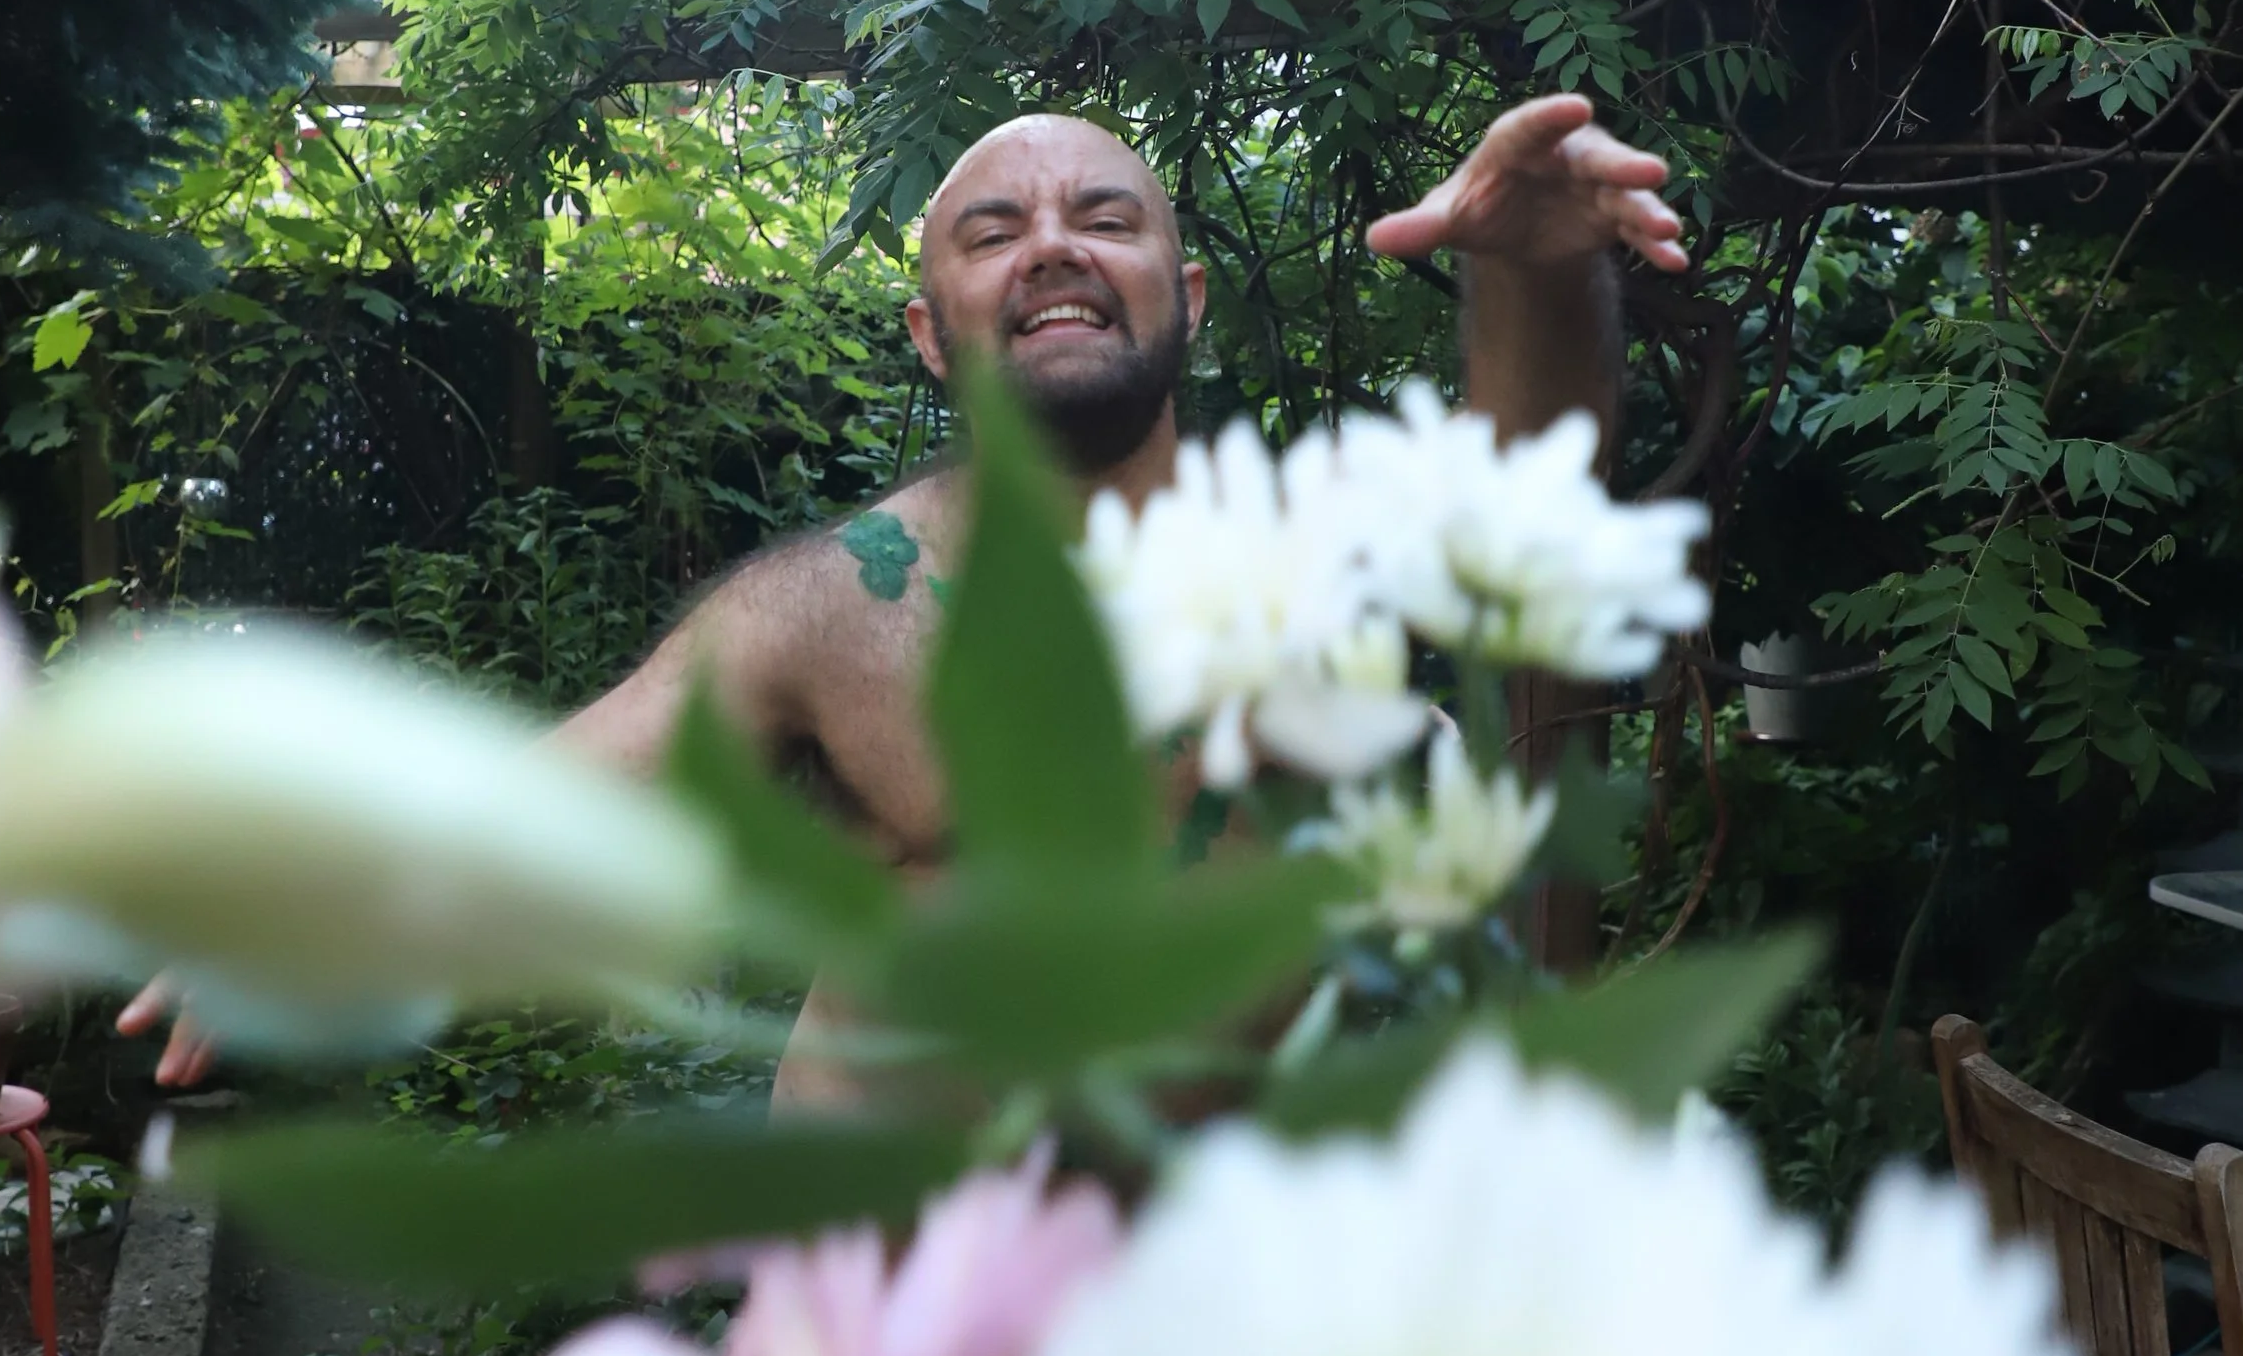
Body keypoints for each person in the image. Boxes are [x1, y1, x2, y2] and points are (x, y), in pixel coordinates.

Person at [116, 92, 1684, 1098]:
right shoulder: (835, 604)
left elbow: (1525, 479)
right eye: (992, 234)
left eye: (1106, 218)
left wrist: (1540, 269)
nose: (1052, 249)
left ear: (1185, 297)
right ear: (933, 331)